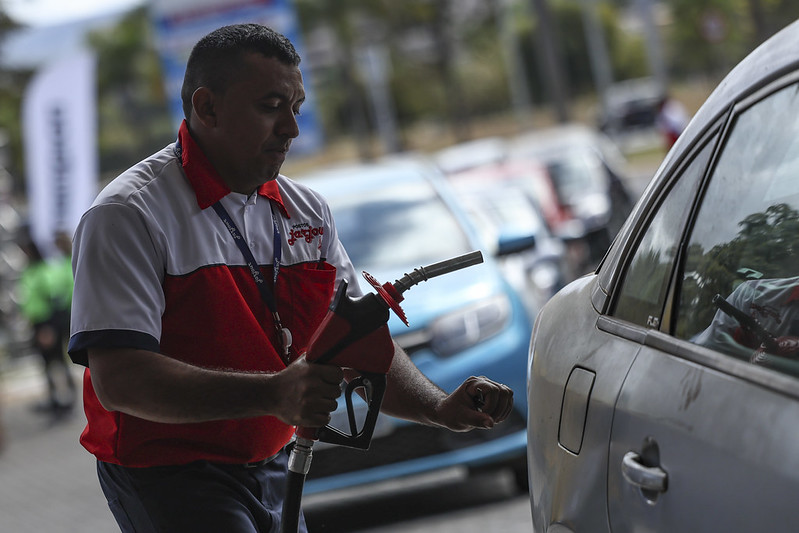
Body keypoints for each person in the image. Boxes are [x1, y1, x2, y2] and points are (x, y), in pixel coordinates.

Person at [67, 23, 514, 533]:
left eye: (296, 108)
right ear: (207, 108)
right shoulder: (127, 215)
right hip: (167, 473)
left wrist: (439, 407)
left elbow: (357, 346)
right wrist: (272, 394)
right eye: (270, 106)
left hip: (273, 463)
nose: (291, 129)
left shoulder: (308, 211)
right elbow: (120, 380)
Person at [18, 236, 76, 419]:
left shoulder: (44, 272)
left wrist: (47, 328)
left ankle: (68, 399)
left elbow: (51, 300)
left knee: (57, 361)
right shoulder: (30, 271)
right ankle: (55, 400)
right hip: (37, 323)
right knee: (46, 364)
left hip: (46, 324)